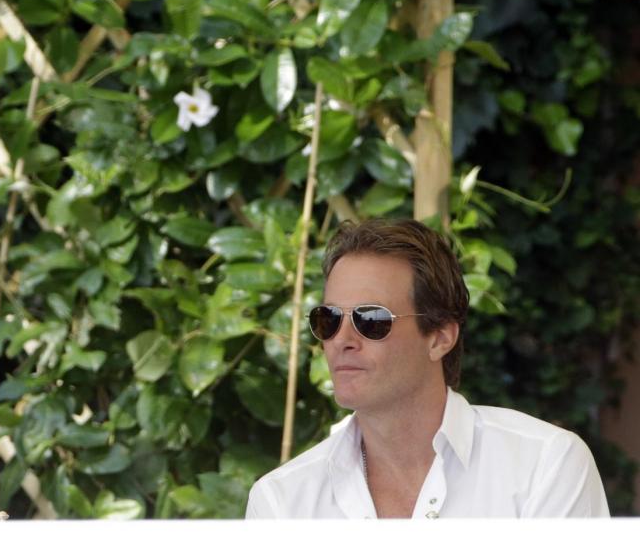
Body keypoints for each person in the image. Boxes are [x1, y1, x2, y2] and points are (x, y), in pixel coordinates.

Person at [247, 218, 608, 519]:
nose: (341, 340)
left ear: (439, 337)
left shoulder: (544, 466)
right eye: (328, 319)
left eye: (371, 320)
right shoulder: (281, 503)